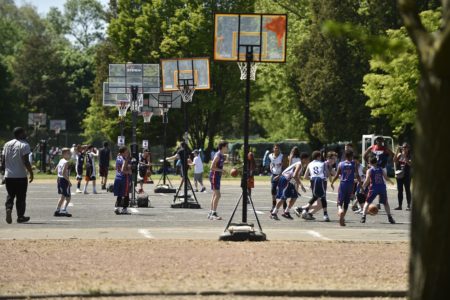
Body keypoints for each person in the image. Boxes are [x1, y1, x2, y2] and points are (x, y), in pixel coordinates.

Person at [3, 127, 33, 224]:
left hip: (9, 175)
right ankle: (20, 217)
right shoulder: (24, 145)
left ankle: (8, 208)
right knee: (21, 197)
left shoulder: (6, 144)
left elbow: (3, 161)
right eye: (24, 132)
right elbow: (25, 161)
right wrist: (31, 172)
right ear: (20, 134)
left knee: (10, 195)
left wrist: (4, 174)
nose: (26, 133)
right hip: (20, 176)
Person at [295, 151, 331, 222]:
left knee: (315, 196)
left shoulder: (310, 164)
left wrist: (312, 178)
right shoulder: (323, 163)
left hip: (313, 181)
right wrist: (331, 180)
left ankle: (303, 209)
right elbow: (328, 173)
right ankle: (325, 215)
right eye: (320, 156)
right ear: (318, 157)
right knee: (323, 197)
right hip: (320, 180)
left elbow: (305, 176)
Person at [270, 153, 307, 220]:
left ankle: (286, 212)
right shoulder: (299, 164)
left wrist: (296, 188)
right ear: (304, 159)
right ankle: (274, 213)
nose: (308, 161)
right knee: (283, 197)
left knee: (294, 196)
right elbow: (294, 176)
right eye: (308, 159)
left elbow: (293, 175)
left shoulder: (298, 164)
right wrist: (301, 185)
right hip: (286, 180)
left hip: (287, 180)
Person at [360, 156, 395, 224]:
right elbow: (386, 177)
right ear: (376, 162)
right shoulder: (381, 169)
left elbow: (367, 180)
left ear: (369, 163)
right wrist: (391, 182)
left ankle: (363, 217)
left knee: (367, 202)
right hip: (382, 187)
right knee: (385, 203)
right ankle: (390, 217)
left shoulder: (369, 170)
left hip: (374, 188)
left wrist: (363, 187)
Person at [331, 150, 362, 226]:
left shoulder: (341, 164)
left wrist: (332, 182)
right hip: (350, 185)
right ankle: (342, 218)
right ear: (351, 156)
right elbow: (357, 175)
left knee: (339, 202)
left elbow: (337, 174)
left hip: (343, 184)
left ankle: (340, 210)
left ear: (345, 156)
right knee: (346, 202)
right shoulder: (354, 164)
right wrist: (360, 183)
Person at [208, 140, 228, 220]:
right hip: (214, 176)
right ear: (222, 147)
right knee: (218, 195)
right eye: (226, 146)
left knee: (214, 195)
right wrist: (221, 170)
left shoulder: (222, 155)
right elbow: (211, 167)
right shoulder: (218, 155)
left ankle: (211, 212)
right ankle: (213, 213)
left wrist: (221, 170)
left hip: (217, 176)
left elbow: (218, 166)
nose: (227, 148)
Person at [54, 148, 73, 217]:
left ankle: (58, 209)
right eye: (68, 153)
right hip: (64, 180)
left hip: (59, 179)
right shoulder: (66, 162)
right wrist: (69, 181)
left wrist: (59, 176)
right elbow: (63, 173)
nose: (70, 154)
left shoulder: (61, 160)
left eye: (70, 153)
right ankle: (63, 210)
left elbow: (56, 169)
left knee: (63, 196)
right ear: (64, 154)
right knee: (68, 197)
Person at [113, 146, 132, 215]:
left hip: (117, 177)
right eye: (126, 151)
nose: (128, 152)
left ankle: (117, 207)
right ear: (123, 152)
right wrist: (129, 172)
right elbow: (123, 170)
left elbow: (116, 167)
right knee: (126, 194)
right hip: (124, 178)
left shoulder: (118, 157)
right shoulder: (125, 159)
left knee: (120, 194)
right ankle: (124, 209)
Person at [394, 143, 412, 210]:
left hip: (407, 175)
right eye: (403, 147)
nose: (404, 148)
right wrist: (397, 151)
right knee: (400, 190)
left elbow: (410, 164)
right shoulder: (399, 154)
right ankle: (400, 205)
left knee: (407, 190)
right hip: (399, 174)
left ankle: (408, 205)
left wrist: (404, 156)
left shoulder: (410, 155)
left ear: (408, 148)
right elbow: (394, 161)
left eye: (405, 147)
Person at [269, 144, 284, 211]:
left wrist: (279, 175)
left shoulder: (282, 156)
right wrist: (270, 167)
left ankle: (284, 207)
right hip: (274, 174)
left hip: (281, 175)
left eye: (277, 148)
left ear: (279, 149)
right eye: (275, 148)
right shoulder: (270, 155)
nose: (276, 149)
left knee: (283, 191)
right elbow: (271, 162)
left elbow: (284, 167)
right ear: (273, 149)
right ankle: (273, 205)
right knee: (273, 190)